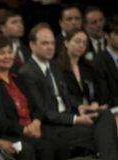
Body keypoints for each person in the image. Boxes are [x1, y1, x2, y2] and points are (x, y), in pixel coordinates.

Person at [19, 22, 118, 159]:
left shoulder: (54, 66)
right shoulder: (27, 72)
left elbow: (65, 95)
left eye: (52, 43)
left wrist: (81, 107)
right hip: (53, 125)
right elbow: (43, 111)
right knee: (104, 132)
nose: (50, 47)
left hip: (69, 114)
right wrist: (76, 119)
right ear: (32, 45)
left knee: (105, 115)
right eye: (45, 43)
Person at [0, 33, 69, 160]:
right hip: (11, 133)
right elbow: (1, 120)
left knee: (62, 143)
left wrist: (36, 122)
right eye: (2, 53)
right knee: (44, 148)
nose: (7, 56)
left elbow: (36, 106)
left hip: (33, 128)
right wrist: (24, 130)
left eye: (9, 52)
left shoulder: (19, 77)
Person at [56, 29, 99, 106]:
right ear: (66, 43)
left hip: (90, 108)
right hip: (71, 111)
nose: (81, 45)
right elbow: (63, 96)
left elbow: (96, 92)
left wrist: (95, 103)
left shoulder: (88, 67)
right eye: (77, 41)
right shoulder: (57, 67)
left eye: (84, 43)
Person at [94, 18, 118, 126]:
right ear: (106, 35)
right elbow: (104, 98)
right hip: (113, 112)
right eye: (117, 33)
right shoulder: (99, 61)